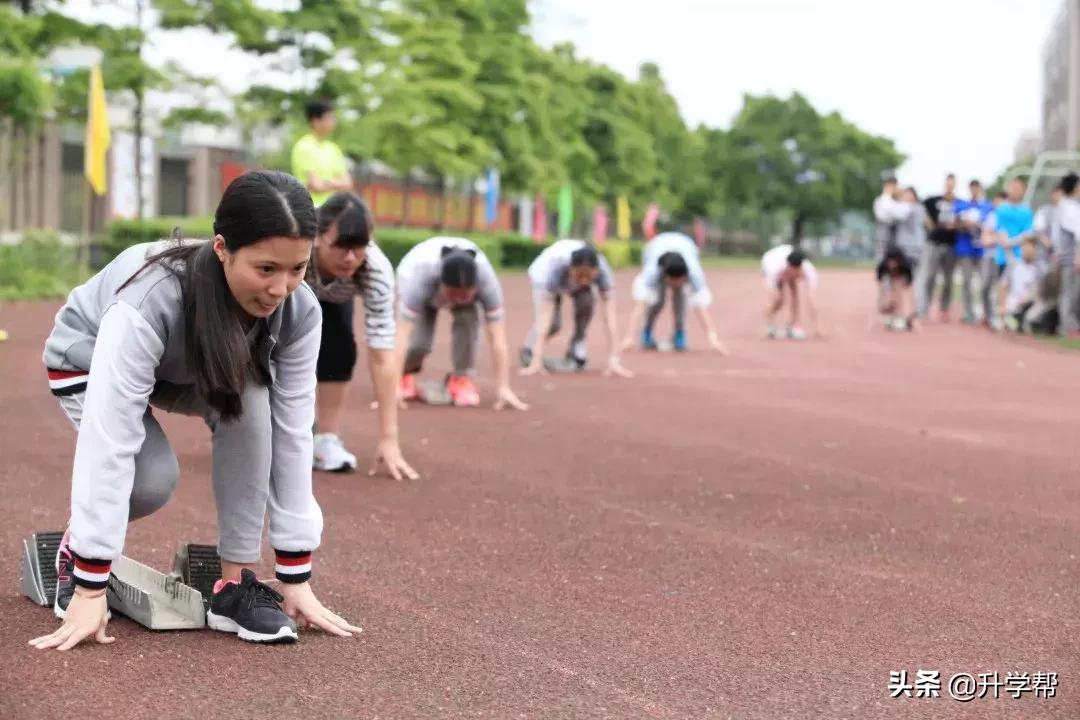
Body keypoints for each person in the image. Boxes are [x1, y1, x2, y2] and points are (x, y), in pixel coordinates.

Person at [31, 171, 361, 651]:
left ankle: (235, 584)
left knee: (254, 404)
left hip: (198, 369)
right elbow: (111, 437)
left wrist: (295, 575)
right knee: (149, 480)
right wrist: (90, 581)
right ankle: (73, 550)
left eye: (298, 268)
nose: (280, 288)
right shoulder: (148, 298)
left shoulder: (299, 311)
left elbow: (292, 434)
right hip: (86, 360)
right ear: (223, 247)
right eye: (266, 269)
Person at [306, 192, 417, 479]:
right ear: (318, 236)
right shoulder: (295, 244)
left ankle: (325, 438)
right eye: (342, 247)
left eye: (360, 247)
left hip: (335, 297)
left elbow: (382, 357)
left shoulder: (376, 270)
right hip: (286, 288)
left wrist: (389, 439)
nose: (351, 258)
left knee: (341, 346)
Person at [395, 236, 528, 410]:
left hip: (461, 292)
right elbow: (401, 335)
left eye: (464, 293)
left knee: (468, 316)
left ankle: (461, 378)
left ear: (476, 287)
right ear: (441, 284)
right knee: (419, 344)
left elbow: (498, 338)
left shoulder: (486, 281)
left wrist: (504, 387)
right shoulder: (421, 276)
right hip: (417, 284)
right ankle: (403, 375)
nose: (457, 299)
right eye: (452, 293)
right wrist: (392, 386)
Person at [518, 239, 631, 378]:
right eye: (579, 275)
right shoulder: (555, 268)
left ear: (596, 271)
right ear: (571, 268)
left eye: (589, 276)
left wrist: (615, 359)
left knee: (587, 301)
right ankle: (530, 351)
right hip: (543, 278)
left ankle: (576, 346)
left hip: (571, 279)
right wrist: (537, 359)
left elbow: (610, 316)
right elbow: (544, 317)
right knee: (553, 324)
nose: (584, 280)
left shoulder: (603, 271)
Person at [621, 231, 728, 353]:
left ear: (685, 276)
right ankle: (647, 331)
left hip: (686, 247)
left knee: (681, 299)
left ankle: (679, 333)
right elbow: (639, 305)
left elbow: (700, 307)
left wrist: (713, 338)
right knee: (657, 301)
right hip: (655, 248)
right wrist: (628, 337)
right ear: (665, 276)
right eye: (672, 282)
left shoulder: (694, 273)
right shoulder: (652, 272)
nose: (674, 285)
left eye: (679, 281)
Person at [987, 178, 1035, 330]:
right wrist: (1005, 243)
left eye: (1018, 188)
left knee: (1020, 287)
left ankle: (1017, 316)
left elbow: (1028, 233)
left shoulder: (1026, 211)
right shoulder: (1002, 210)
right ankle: (1001, 316)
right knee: (1003, 285)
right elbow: (999, 230)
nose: (1015, 190)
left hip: (1020, 255)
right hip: (1003, 255)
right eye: (1013, 187)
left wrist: (1014, 242)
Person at [291, 99, 352, 208]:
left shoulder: (333, 148)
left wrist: (326, 182)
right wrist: (335, 183)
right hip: (310, 209)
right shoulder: (304, 147)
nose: (333, 121)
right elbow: (316, 186)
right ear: (315, 121)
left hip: (332, 209)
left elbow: (348, 183)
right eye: (329, 118)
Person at [760, 244, 820, 339]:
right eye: (792, 272)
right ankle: (768, 322)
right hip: (768, 260)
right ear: (788, 266)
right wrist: (773, 305)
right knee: (779, 299)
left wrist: (816, 327)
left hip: (786, 255)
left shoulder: (809, 270)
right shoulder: (773, 268)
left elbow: (811, 298)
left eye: (797, 272)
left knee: (794, 293)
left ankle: (793, 324)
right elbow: (772, 293)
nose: (795, 275)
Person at [953, 180, 991, 324]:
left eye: (977, 188)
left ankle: (986, 314)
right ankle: (969, 313)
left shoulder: (986, 206)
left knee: (984, 283)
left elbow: (991, 225)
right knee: (967, 282)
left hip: (982, 250)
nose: (974, 191)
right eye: (972, 188)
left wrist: (977, 224)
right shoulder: (963, 205)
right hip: (965, 249)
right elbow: (954, 223)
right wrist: (963, 224)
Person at [921, 174, 959, 319]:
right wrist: (930, 224)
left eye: (952, 183)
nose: (950, 186)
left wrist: (956, 225)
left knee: (948, 279)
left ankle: (944, 308)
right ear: (945, 184)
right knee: (931, 276)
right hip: (935, 243)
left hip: (950, 245)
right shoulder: (934, 200)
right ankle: (926, 305)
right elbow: (921, 206)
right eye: (948, 183)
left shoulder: (958, 203)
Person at [1056, 172, 1080, 337]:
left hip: (1072, 256)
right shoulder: (1067, 206)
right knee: (1068, 292)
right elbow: (1077, 233)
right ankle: (1066, 325)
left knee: (1073, 292)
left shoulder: (1071, 205)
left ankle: (1071, 323)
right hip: (1071, 257)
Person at [1002, 237, 1042, 332]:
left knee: (1032, 315)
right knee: (1006, 316)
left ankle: (1025, 321)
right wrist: (1002, 304)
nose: (1027, 252)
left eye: (1030, 249)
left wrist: (1027, 297)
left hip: (1030, 301)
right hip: (1014, 300)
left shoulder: (1038, 269)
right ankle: (1014, 319)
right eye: (1025, 249)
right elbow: (1003, 285)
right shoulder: (1014, 265)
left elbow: (1039, 289)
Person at [876, 247, 916, 331]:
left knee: (901, 293)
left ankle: (904, 318)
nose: (892, 264)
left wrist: (910, 311)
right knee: (886, 299)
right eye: (890, 261)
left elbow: (908, 287)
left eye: (895, 261)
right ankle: (889, 315)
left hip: (901, 278)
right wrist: (885, 302)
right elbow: (881, 285)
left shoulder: (906, 266)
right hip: (887, 279)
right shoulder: (882, 267)